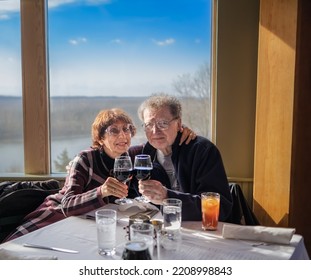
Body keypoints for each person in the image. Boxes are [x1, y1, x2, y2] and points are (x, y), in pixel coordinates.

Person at [3, 108, 195, 242]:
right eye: (114, 131)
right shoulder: (85, 159)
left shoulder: (132, 155)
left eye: (127, 129)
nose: (123, 135)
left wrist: (180, 131)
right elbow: (66, 205)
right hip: (55, 218)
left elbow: (160, 140)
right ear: (100, 138)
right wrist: (100, 192)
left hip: (90, 226)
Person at [131, 93, 233, 221]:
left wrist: (167, 197)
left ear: (179, 124)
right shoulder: (144, 156)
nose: (155, 131)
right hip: (163, 228)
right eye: (149, 125)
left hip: (205, 230)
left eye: (163, 123)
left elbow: (220, 207)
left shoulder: (202, 151)